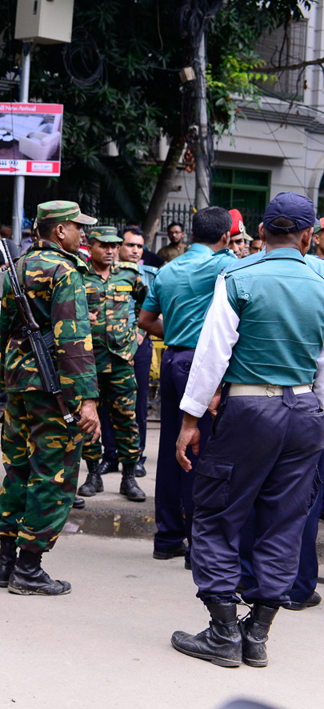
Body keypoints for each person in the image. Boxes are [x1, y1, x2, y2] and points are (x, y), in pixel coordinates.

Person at [170, 192, 324, 669]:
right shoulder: (322, 280)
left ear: (260, 233)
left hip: (249, 409)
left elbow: (212, 353)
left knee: (216, 513)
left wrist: (190, 421)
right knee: (286, 522)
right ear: (307, 236)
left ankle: (222, 632)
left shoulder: (238, 275)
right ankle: (256, 634)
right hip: (305, 410)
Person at [0, 201, 101, 596]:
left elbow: (5, 328)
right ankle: (29, 568)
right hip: (53, 388)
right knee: (53, 474)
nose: (82, 234)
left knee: (18, 469)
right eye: (77, 227)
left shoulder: (17, 267)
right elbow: (74, 340)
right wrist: (86, 399)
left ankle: (6, 563)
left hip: (20, 383)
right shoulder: (65, 271)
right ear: (59, 231)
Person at [137, 207, 233, 565]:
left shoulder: (166, 270)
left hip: (174, 358)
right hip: (203, 364)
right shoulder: (224, 266)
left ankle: (167, 537)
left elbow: (145, 319)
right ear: (225, 238)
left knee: (170, 448)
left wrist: (176, 333)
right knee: (201, 452)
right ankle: (199, 544)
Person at [77, 227, 146, 502]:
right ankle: (93, 474)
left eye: (113, 246)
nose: (109, 250)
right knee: (89, 420)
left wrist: (139, 331)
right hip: (89, 360)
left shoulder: (129, 274)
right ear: (91, 246)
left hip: (120, 360)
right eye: (103, 245)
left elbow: (147, 302)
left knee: (126, 420)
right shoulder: (80, 275)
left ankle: (129, 478)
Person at [100, 225, 158, 475]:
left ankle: (136, 459)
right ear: (117, 246)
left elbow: (152, 308)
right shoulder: (102, 273)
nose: (135, 250)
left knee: (138, 404)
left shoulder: (150, 275)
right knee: (106, 403)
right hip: (108, 349)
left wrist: (139, 334)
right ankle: (110, 455)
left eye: (139, 246)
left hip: (138, 346)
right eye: (130, 245)